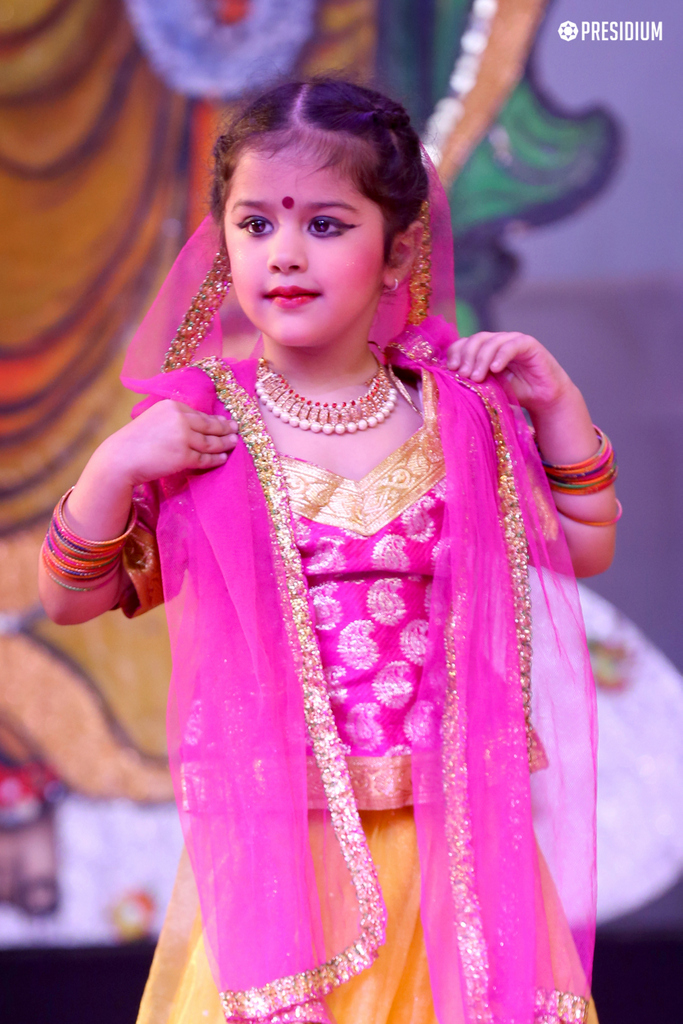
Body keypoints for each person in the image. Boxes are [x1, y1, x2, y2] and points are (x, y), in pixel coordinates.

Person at [39, 79, 618, 1024]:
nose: (285, 253)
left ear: (398, 254)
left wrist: (556, 405)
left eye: (324, 224)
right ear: (224, 244)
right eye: (255, 224)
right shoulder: (204, 428)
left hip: (457, 859)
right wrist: (111, 469)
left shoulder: (456, 414)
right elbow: (71, 599)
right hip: (285, 871)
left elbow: (582, 548)